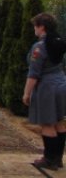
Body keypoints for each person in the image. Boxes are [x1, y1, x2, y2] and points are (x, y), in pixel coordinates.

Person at [22, 12, 66, 170]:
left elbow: (34, 73)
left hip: (47, 86)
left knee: (47, 123)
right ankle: (58, 159)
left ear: (41, 27)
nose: (34, 28)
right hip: (61, 82)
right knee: (59, 122)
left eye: (35, 25)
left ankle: (49, 159)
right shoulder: (57, 41)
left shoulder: (40, 46)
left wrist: (27, 93)